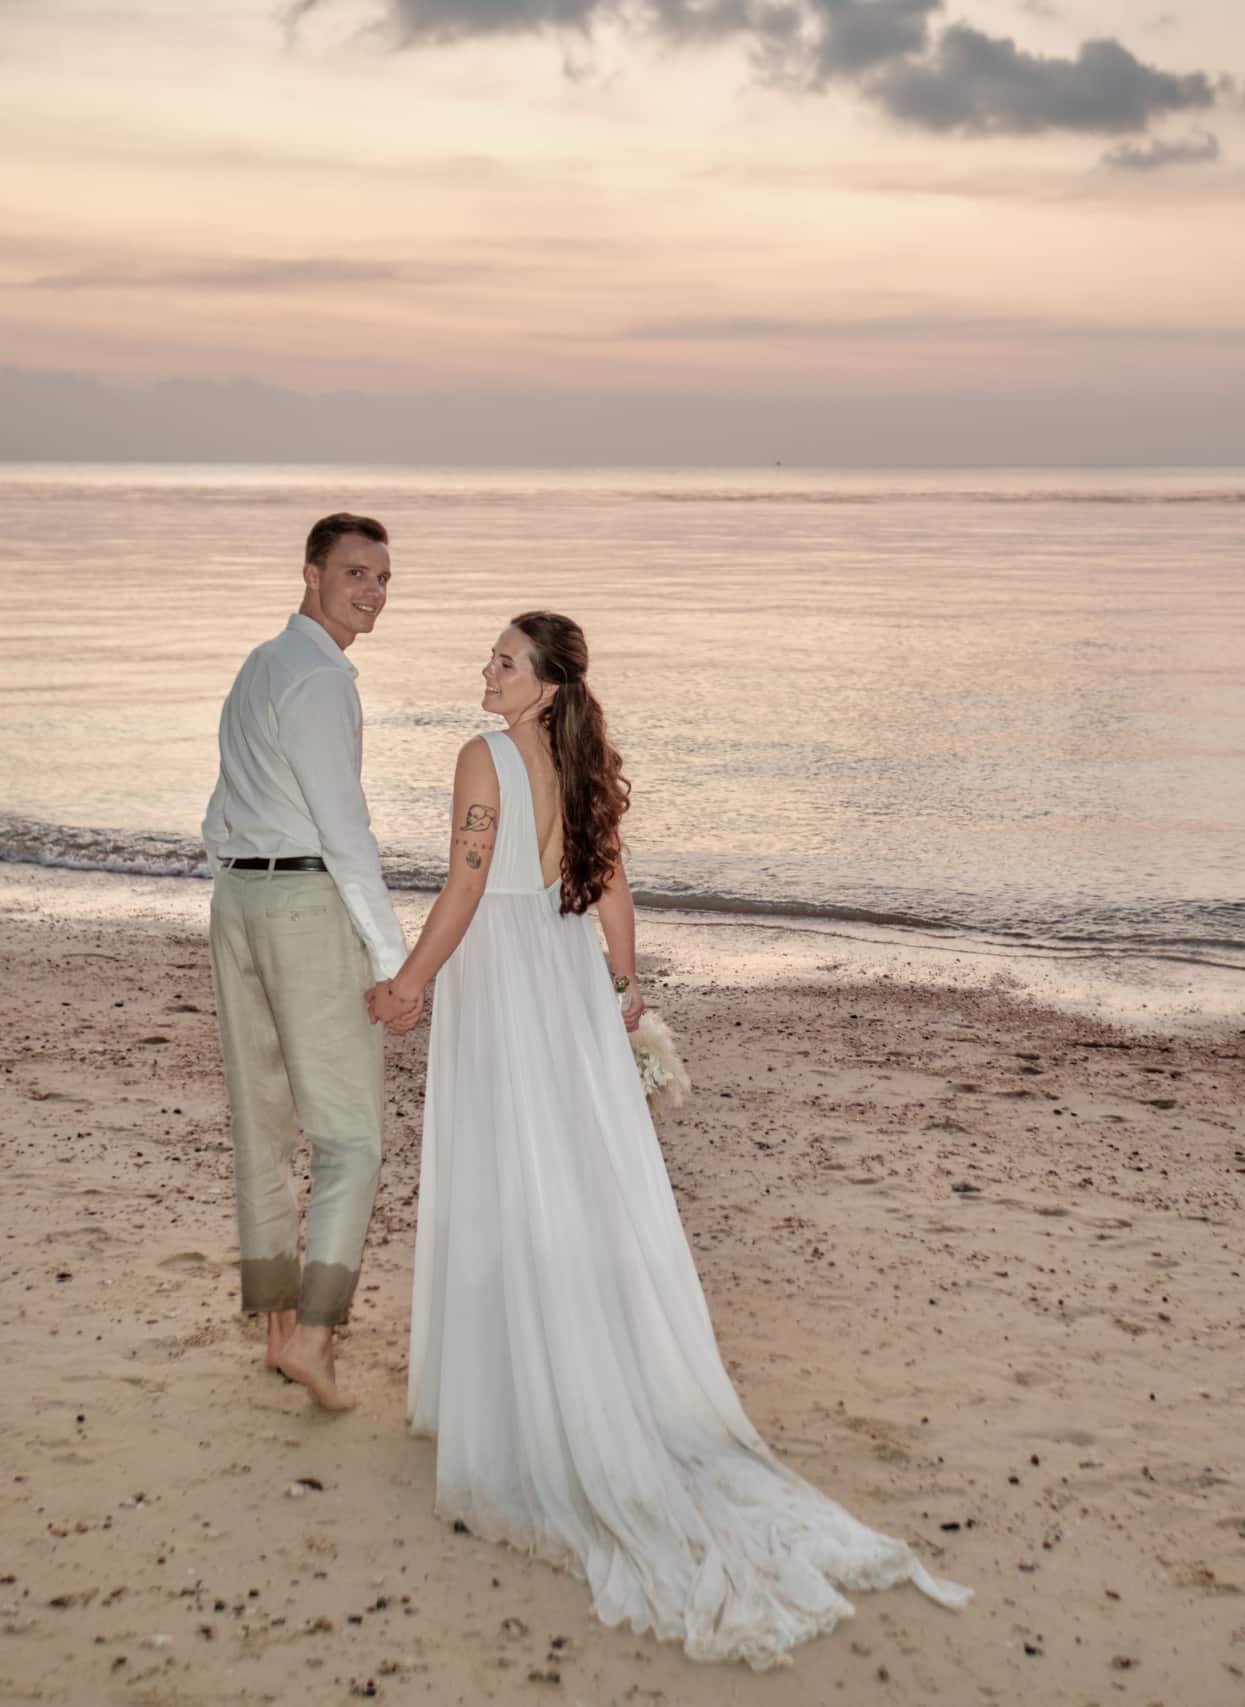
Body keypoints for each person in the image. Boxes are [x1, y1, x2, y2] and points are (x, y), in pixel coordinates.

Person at [370, 612, 969, 1667]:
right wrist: (623, 987)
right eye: (493, 659)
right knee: (568, 1173)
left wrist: (414, 978)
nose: (487, 671)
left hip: (507, 976)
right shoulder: (577, 761)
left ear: (543, 687)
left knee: (514, 1170)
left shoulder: (484, 755)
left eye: (505, 662)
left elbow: (467, 884)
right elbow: (607, 887)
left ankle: (515, 1397)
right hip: (559, 972)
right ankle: (560, 1375)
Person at [199, 512, 417, 1412]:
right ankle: (315, 1339)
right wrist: (394, 957)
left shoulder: (260, 664)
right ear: (311, 572)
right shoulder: (323, 681)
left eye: (382, 578)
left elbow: (223, 799)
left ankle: (277, 1331)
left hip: (237, 900)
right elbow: (346, 831)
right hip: (299, 904)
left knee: (262, 1124)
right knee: (351, 1138)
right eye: (356, 573)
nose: (371, 591)